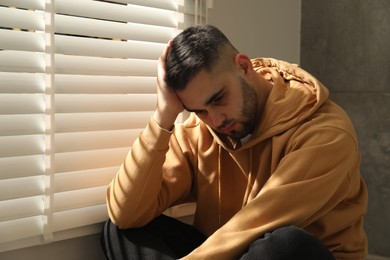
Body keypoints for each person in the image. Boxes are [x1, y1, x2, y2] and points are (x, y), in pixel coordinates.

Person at [101, 25, 368, 259]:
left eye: (218, 99)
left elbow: (259, 224)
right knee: (124, 227)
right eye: (199, 110)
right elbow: (126, 213)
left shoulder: (326, 133)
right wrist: (164, 116)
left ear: (244, 66)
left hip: (296, 254)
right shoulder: (200, 130)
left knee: (284, 244)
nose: (215, 120)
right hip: (232, 252)